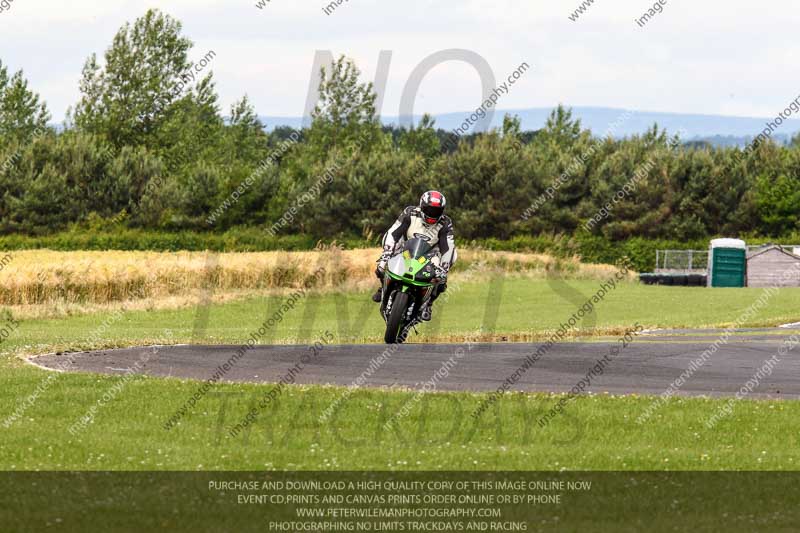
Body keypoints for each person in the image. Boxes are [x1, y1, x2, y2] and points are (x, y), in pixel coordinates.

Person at [372, 190, 456, 321]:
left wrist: (443, 269)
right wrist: (387, 253)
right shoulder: (410, 212)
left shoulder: (445, 223)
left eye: (436, 211)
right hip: (405, 250)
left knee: (441, 279)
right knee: (381, 267)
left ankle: (428, 304)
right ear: (422, 206)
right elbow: (394, 232)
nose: (432, 214)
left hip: (429, 255)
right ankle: (383, 288)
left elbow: (448, 247)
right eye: (429, 210)